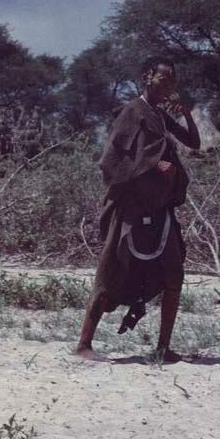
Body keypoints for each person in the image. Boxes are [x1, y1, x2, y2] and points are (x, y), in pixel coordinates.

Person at [75, 56, 200, 362]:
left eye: (172, 80)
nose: (168, 85)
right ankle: (84, 344)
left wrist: (187, 116)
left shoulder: (159, 114)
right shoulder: (132, 111)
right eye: (163, 78)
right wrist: (154, 163)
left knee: (173, 274)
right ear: (147, 77)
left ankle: (163, 347)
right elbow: (111, 160)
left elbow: (194, 143)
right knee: (111, 271)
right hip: (130, 210)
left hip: (161, 210)